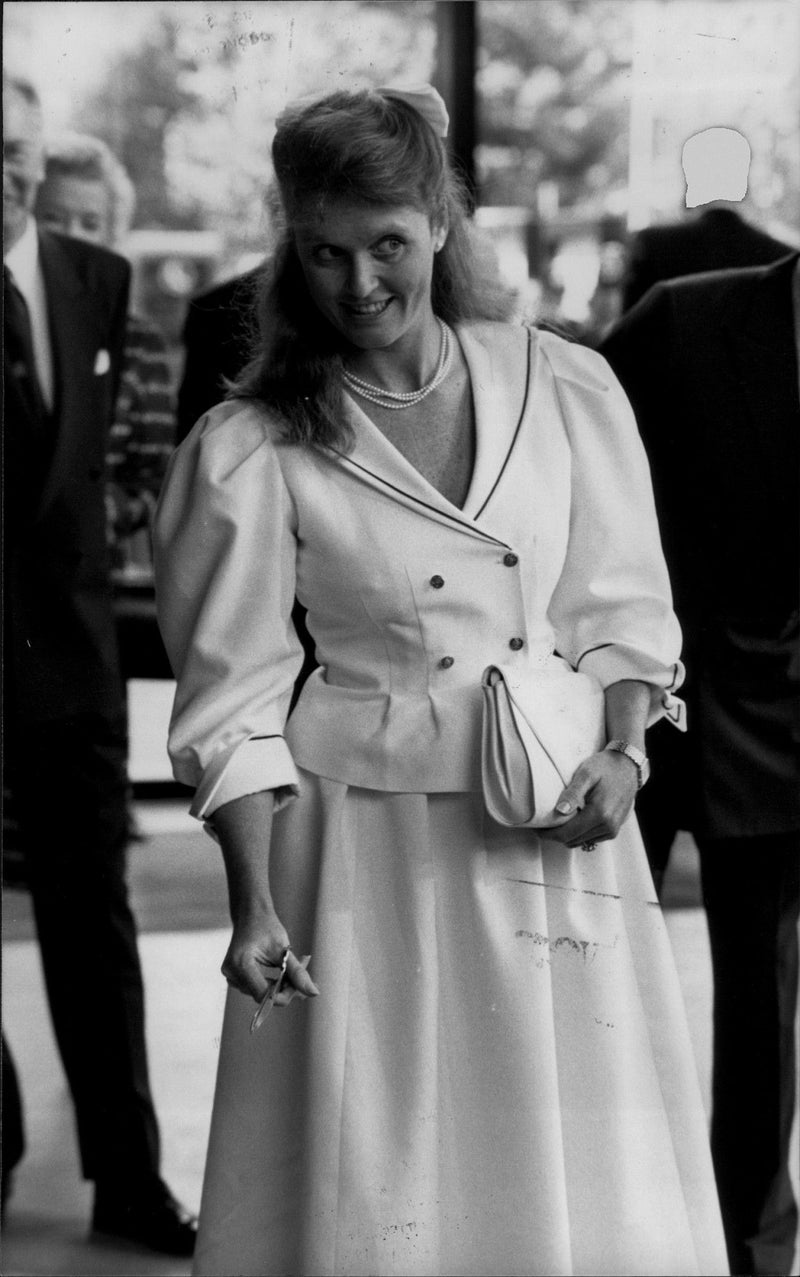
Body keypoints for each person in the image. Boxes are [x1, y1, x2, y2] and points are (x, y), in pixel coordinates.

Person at [153, 85, 728, 1277]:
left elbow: (621, 607)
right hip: (366, 850)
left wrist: (625, 750)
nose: (357, 282)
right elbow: (233, 697)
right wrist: (254, 901)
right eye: (322, 251)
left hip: (551, 817)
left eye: (387, 246)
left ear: (440, 223)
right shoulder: (254, 443)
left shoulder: (561, 384)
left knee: (562, 1151)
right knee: (390, 1159)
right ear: (289, 245)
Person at [2, 74, 196, 1255]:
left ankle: (131, 1177)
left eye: (11, 144)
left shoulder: (97, 282)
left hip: (66, 656)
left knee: (94, 922)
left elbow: (114, 466)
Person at [599, 252, 800, 1277]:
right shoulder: (681, 320)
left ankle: (753, 1251)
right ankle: (586, 1217)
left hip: (785, 724)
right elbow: (571, 472)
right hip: (634, 700)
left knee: (762, 1013)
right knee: (584, 969)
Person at [34, 132, 176, 678]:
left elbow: (154, 481)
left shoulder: (140, 346)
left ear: (113, 237)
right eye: (54, 219)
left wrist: (99, 512)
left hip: (95, 601)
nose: (74, 238)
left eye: (90, 224)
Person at [622, 128, 793, 312]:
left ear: (689, 176)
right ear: (745, 177)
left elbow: (630, 327)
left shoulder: (652, 244)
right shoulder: (784, 257)